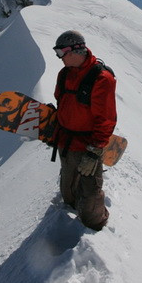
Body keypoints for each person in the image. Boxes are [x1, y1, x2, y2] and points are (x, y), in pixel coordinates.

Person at [52, 30, 117, 231]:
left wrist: (95, 150)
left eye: (61, 52)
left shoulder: (101, 78)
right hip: (66, 143)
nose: (59, 57)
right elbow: (60, 100)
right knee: (68, 193)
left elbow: (106, 119)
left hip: (88, 147)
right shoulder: (64, 74)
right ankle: (72, 208)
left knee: (90, 201)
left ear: (76, 49)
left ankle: (97, 227)